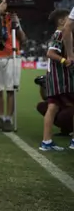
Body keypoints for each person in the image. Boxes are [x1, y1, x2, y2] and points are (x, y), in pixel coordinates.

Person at [0, 0, 26, 132]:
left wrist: (17, 25)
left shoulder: (12, 17)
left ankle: (8, 119)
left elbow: (23, 38)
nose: (1, 4)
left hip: (12, 55)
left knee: (11, 90)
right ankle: (1, 117)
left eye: (3, 1)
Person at [39, 9, 74, 151]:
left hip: (55, 79)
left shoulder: (58, 35)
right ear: (61, 21)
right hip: (62, 80)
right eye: (68, 18)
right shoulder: (61, 34)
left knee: (52, 107)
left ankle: (46, 142)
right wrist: (65, 60)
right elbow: (50, 53)